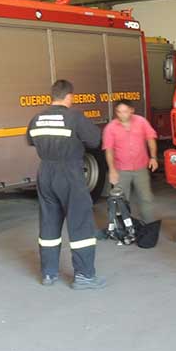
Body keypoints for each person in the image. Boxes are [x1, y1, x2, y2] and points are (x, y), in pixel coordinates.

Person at [26, 80, 106, 290]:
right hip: (69, 172)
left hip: (45, 173)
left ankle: (48, 273)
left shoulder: (37, 118)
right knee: (80, 222)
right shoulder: (74, 117)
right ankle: (84, 276)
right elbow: (95, 140)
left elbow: (31, 140)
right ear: (69, 96)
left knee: (49, 222)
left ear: (52, 95)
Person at [102, 99, 158, 223]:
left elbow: (150, 139)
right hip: (121, 170)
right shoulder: (110, 128)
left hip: (140, 168)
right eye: (119, 112)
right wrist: (112, 171)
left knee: (146, 198)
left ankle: (149, 225)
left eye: (125, 112)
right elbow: (109, 150)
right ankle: (123, 228)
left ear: (132, 111)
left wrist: (153, 158)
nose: (122, 115)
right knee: (121, 200)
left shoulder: (141, 122)